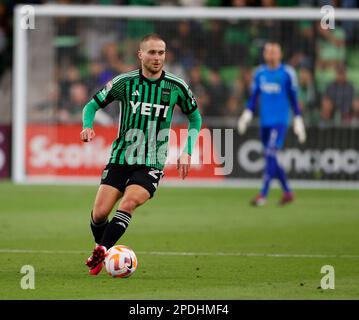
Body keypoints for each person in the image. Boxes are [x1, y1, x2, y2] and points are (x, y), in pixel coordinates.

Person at [80, 33, 202, 275]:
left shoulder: (177, 86)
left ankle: (103, 250)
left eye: (161, 52)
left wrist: (187, 151)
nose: (157, 58)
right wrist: (87, 125)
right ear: (140, 55)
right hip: (121, 157)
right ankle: (100, 246)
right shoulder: (124, 82)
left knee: (129, 203)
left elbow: (195, 118)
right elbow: (92, 105)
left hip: (152, 161)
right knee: (100, 213)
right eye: (152, 52)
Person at [237, 42, 306, 207]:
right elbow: (254, 97)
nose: (271, 55)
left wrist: (298, 119)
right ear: (265, 55)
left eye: (275, 52)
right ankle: (287, 192)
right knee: (271, 157)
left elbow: (293, 98)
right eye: (269, 52)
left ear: (280, 54)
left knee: (270, 154)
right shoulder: (259, 73)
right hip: (265, 122)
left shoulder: (287, 73)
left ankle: (263, 195)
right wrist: (247, 113)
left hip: (280, 121)